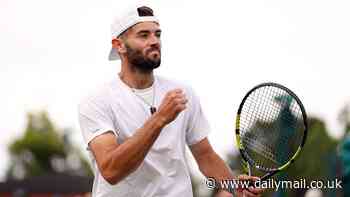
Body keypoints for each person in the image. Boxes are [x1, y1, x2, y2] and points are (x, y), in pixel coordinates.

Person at [78, 4, 263, 197]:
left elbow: (205, 156)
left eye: (157, 34)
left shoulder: (183, 93)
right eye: (143, 35)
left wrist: (235, 187)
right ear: (119, 45)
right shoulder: (96, 100)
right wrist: (159, 119)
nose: (154, 41)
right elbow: (111, 170)